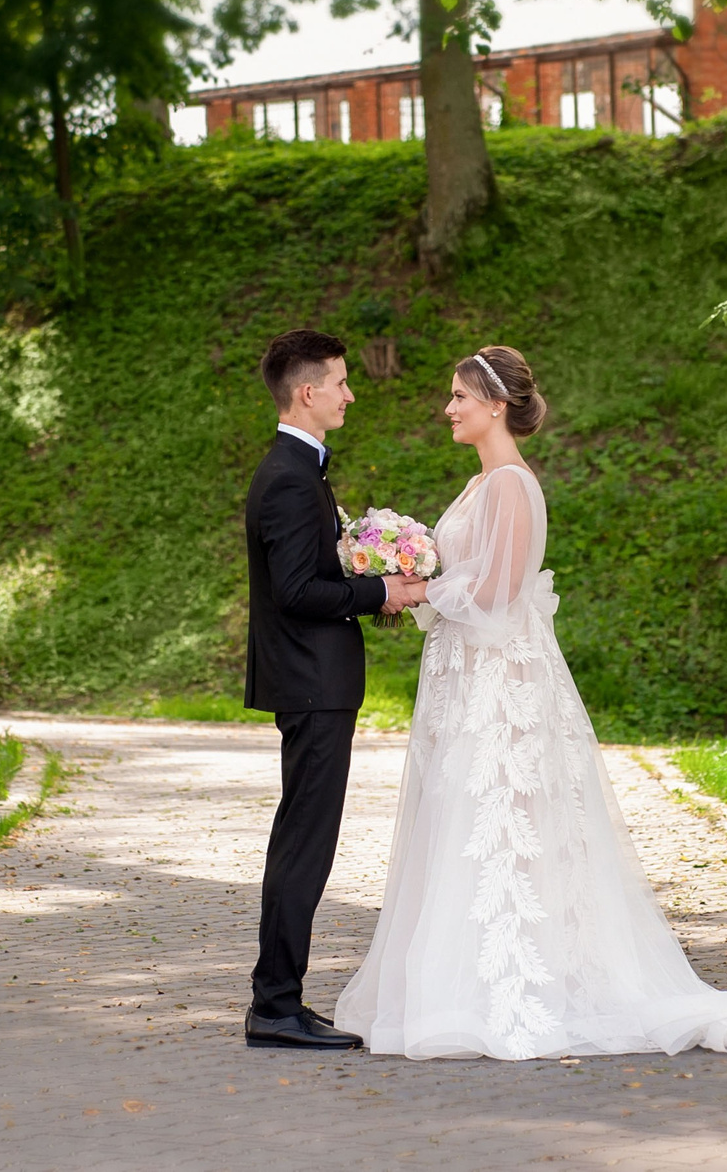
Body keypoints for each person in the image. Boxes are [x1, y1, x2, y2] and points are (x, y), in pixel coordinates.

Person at [335, 345, 727, 1060]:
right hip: (465, 678)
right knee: (461, 819)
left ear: (495, 404)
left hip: (499, 684)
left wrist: (413, 588)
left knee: (498, 818)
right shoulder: (481, 486)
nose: (449, 408)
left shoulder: (511, 485)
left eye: (460, 398)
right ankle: (456, 980)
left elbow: (498, 593)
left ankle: (507, 984)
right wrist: (405, 561)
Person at [242, 328, 423, 1051]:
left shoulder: (301, 468)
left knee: (304, 840)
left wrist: (367, 584)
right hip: (312, 683)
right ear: (308, 391)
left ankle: (282, 998)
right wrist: (379, 588)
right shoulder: (288, 475)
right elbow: (293, 590)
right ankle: (274, 1004)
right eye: (342, 382)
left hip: (317, 683)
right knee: (304, 845)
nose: (351, 393)